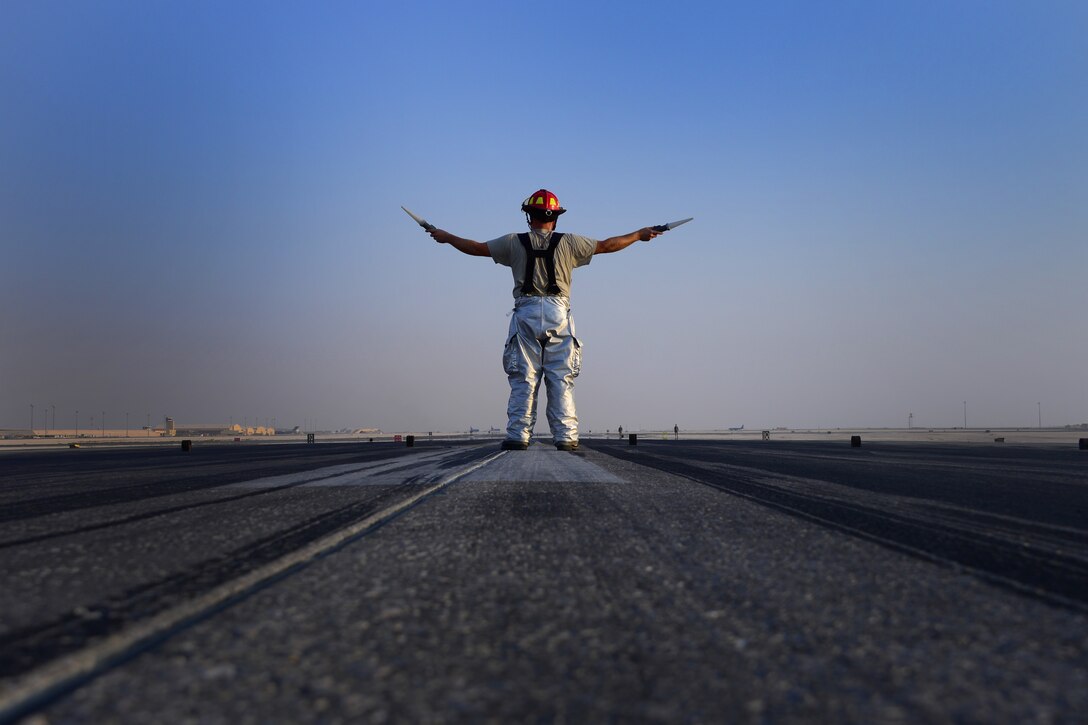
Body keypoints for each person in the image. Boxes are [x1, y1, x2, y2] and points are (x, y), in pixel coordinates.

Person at [426, 189, 664, 451]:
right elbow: (608, 245)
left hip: (525, 312)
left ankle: (518, 435)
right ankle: (566, 436)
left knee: (523, 376)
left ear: (530, 216)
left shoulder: (512, 242)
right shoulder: (571, 242)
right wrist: (638, 235)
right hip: (558, 313)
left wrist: (447, 237)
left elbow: (476, 248)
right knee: (561, 376)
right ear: (555, 218)